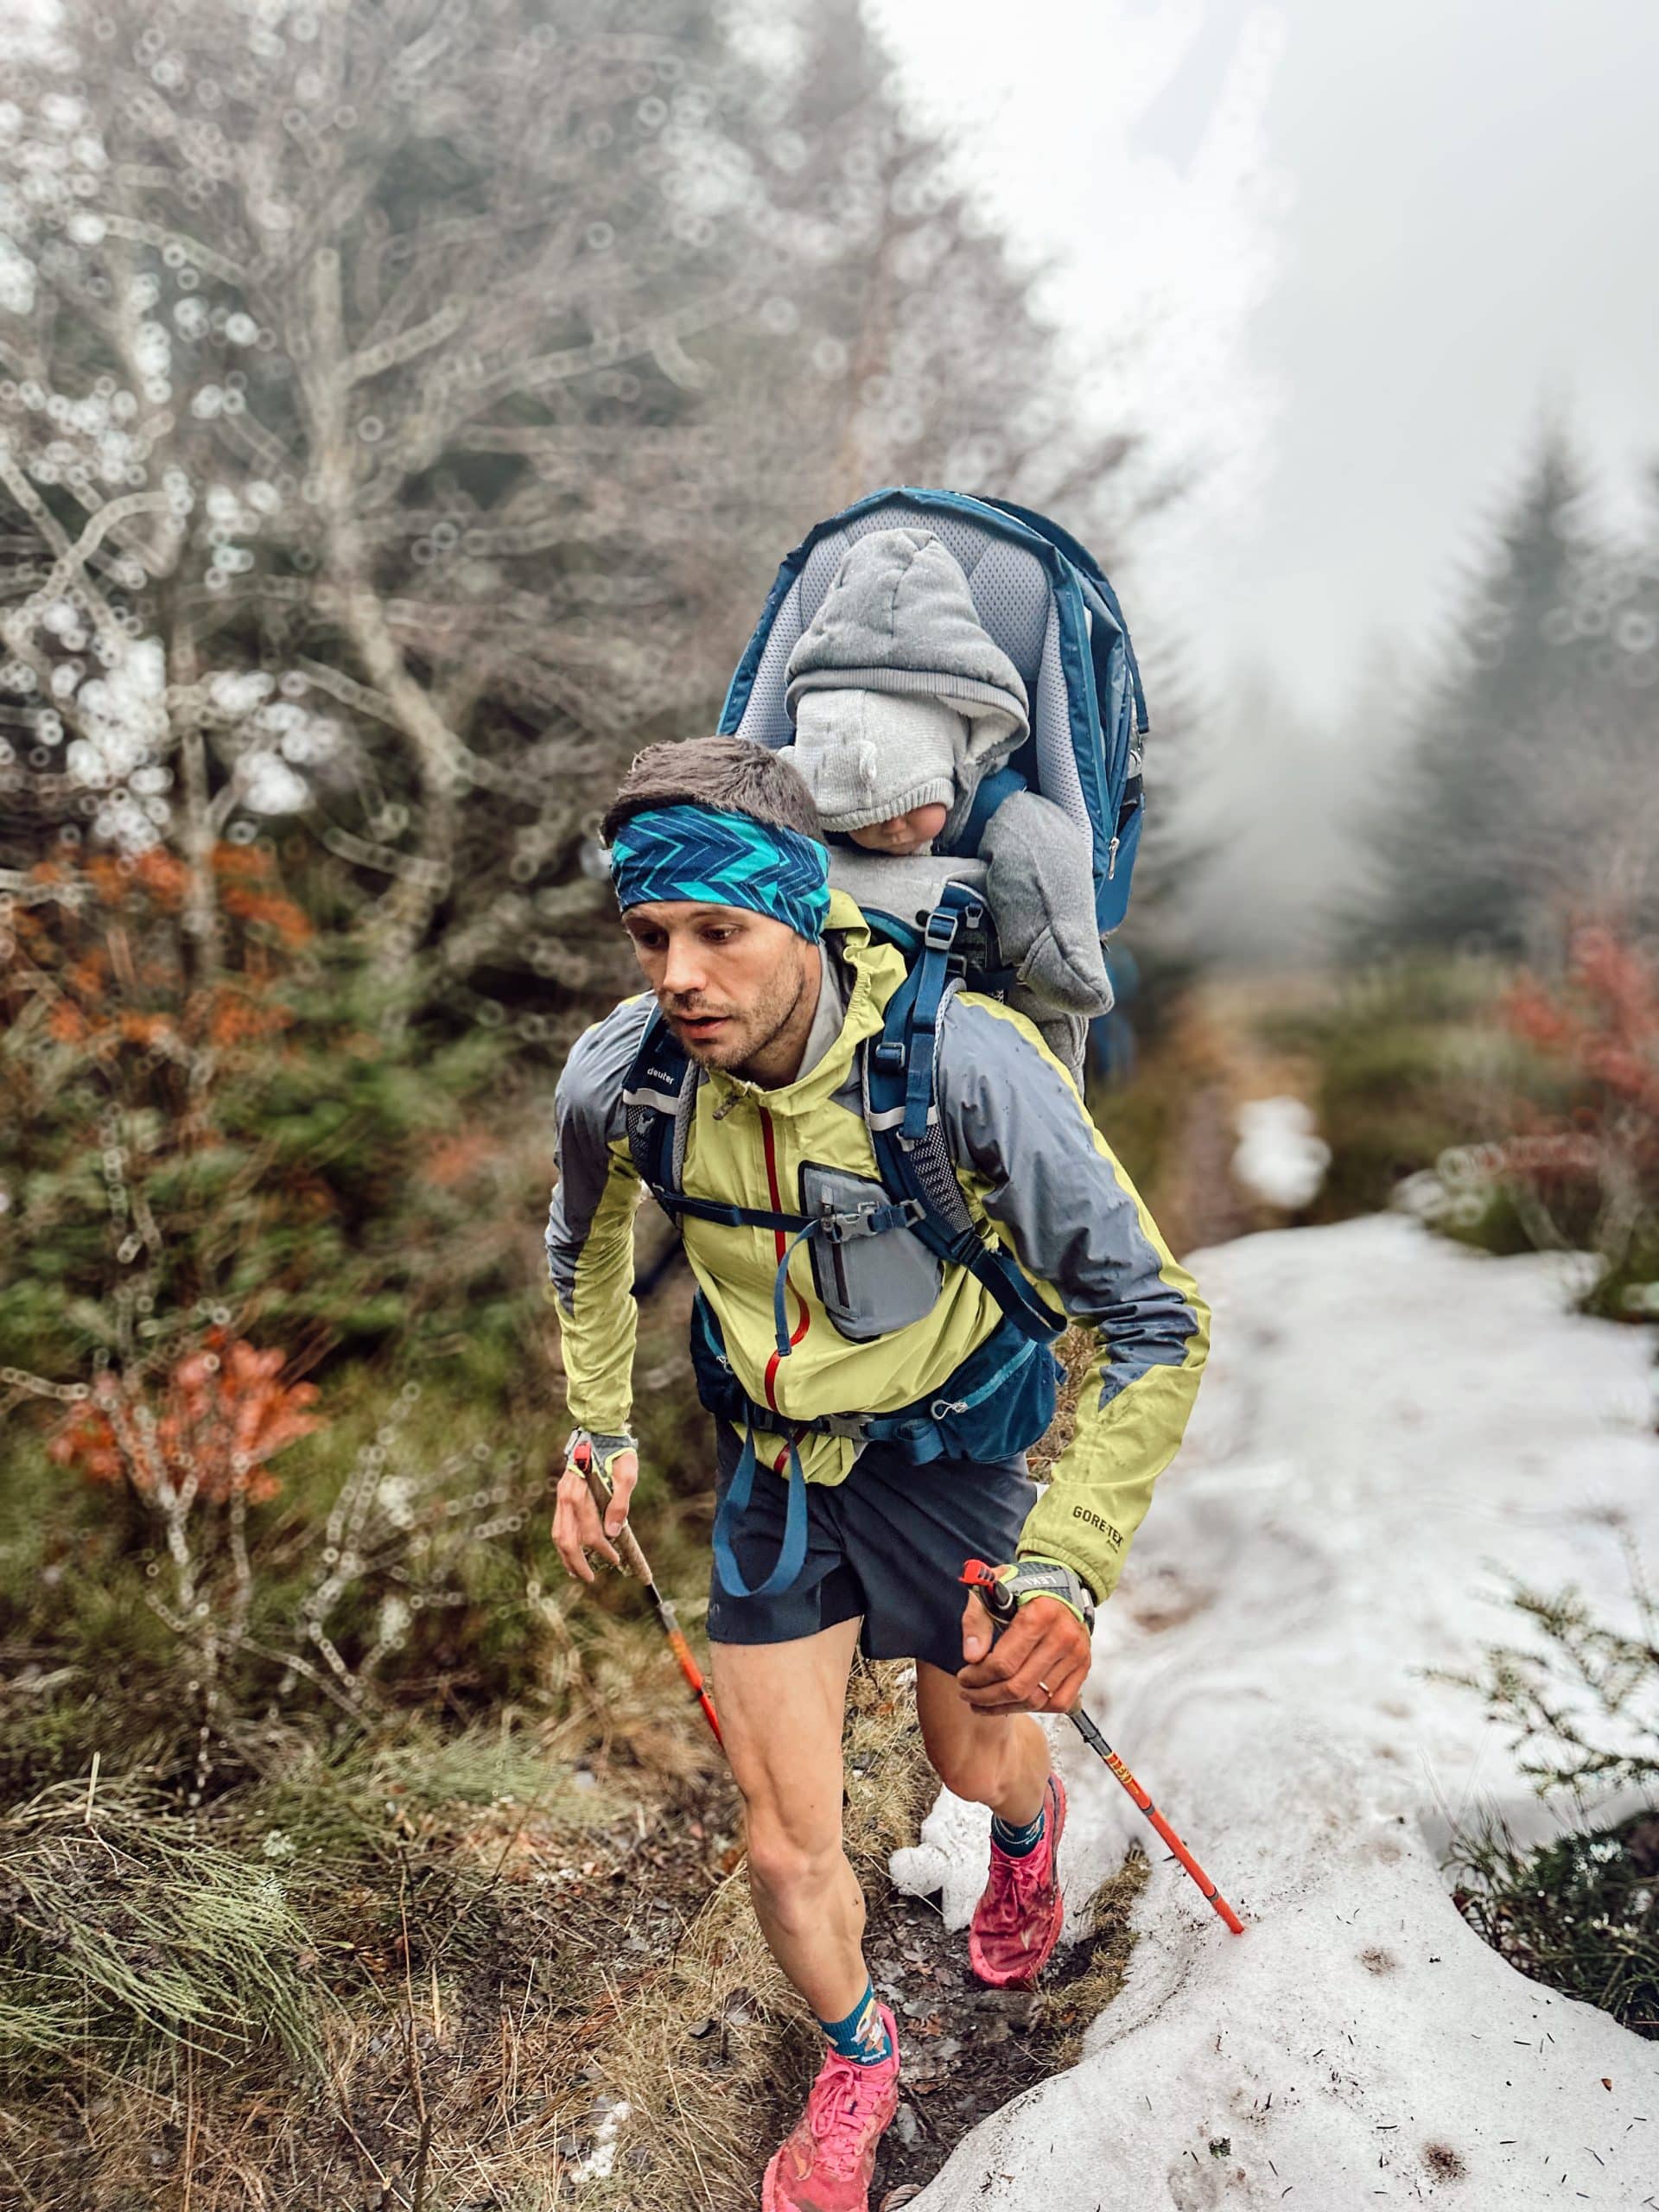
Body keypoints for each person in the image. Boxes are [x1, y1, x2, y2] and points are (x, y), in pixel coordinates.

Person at [545, 735, 1209, 2212]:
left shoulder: (966, 1063)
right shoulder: (626, 1079)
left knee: (972, 1753)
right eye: (651, 937)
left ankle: (1024, 1845)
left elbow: (1158, 1316)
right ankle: (859, 2054)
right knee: (787, 1850)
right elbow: (579, 1248)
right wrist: (599, 1429)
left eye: (720, 931)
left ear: (802, 911)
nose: (679, 975)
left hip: (955, 1444)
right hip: (778, 1475)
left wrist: (1068, 1562)